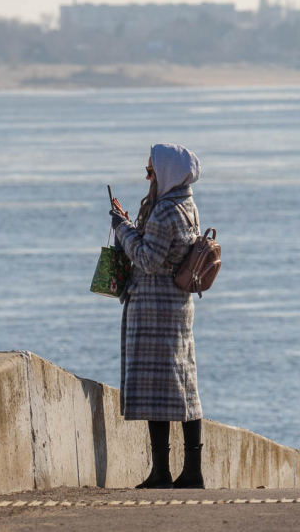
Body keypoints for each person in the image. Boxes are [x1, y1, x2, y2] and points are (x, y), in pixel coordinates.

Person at [109, 143, 205, 489]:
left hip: (155, 308)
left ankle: (163, 472)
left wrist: (122, 227)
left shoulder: (165, 212)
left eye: (151, 171)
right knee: (181, 388)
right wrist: (131, 225)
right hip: (175, 307)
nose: (147, 176)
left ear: (166, 173)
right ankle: (189, 470)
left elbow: (149, 260)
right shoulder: (185, 206)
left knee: (157, 390)